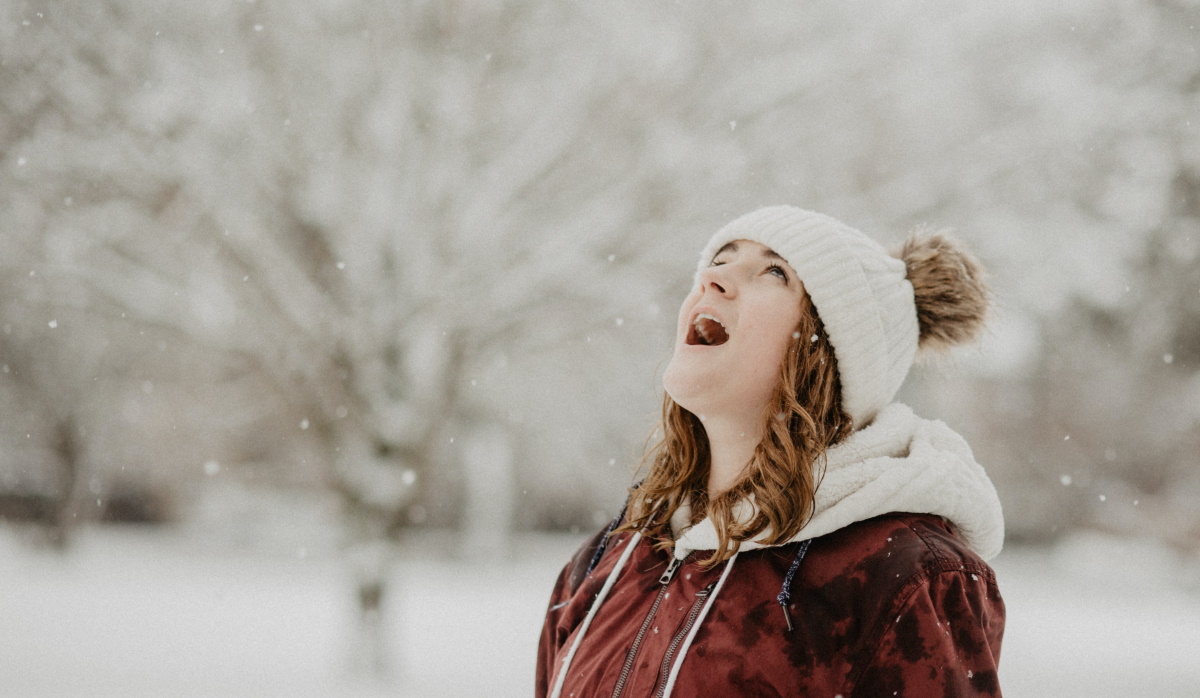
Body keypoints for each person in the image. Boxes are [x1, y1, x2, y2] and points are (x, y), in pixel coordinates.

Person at [536, 206, 1006, 697]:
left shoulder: (903, 577)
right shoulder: (607, 558)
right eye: (720, 258)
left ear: (828, 352)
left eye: (774, 271)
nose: (714, 277)